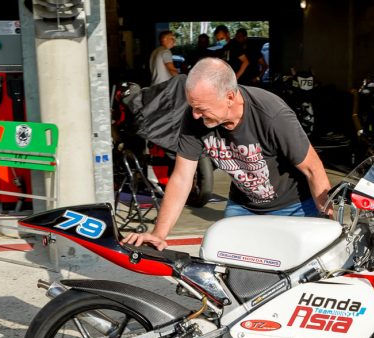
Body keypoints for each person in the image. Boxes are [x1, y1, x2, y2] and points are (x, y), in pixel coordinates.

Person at [123, 57, 332, 250]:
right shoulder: (194, 117)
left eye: (202, 108)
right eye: (193, 107)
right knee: (222, 264)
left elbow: (313, 169)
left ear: (229, 97)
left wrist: (330, 225)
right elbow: (182, 178)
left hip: (293, 207)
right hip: (243, 207)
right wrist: (159, 234)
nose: (195, 115)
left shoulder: (272, 114)